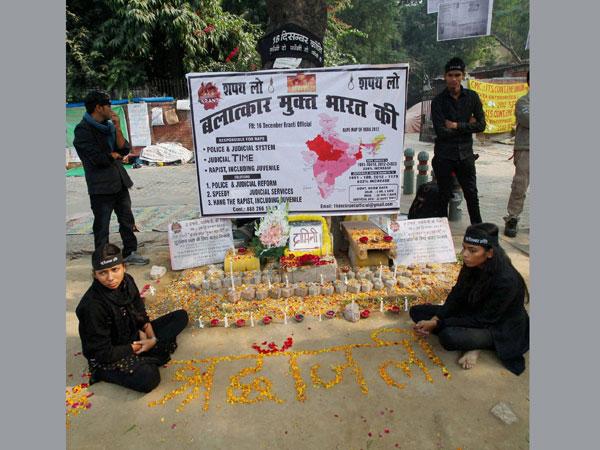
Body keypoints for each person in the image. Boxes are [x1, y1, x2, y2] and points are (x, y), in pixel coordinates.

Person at [409, 223, 529, 375]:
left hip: (497, 326)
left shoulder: (506, 280)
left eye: (472, 250)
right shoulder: (471, 264)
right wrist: (436, 318)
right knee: (417, 312)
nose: (465, 254)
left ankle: (476, 346)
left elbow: (483, 320)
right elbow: (456, 295)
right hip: (472, 311)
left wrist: (438, 323)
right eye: (464, 248)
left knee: (449, 337)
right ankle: (469, 340)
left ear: (489, 253)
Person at [76, 243, 189, 392]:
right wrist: (140, 346)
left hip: (132, 334)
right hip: (112, 351)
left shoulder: (127, 281)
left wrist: (151, 338)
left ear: (124, 267)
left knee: (180, 317)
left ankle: (146, 350)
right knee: (149, 377)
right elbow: (102, 352)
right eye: (103, 273)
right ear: (95, 275)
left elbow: (140, 313)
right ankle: (103, 372)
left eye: (115, 269)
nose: (110, 278)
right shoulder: (92, 306)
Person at [73, 90, 149, 265]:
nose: (111, 109)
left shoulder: (109, 127)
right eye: (108, 105)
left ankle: (130, 252)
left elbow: (124, 149)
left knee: (127, 219)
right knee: (102, 225)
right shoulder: (83, 130)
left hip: (119, 180)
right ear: (98, 108)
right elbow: (96, 158)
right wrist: (112, 155)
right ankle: (103, 260)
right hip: (100, 186)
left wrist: (118, 127)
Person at [431, 57, 486, 224]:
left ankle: (478, 231)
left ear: (463, 76)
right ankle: (442, 233)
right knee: (443, 196)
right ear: (445, 76)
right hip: (444, 156)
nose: (453, 79)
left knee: (472, 195)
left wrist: (456, 125)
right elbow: (441, 132)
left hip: (466, 155)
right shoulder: (438, 101)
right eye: (450, 75)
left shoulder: (472, 97)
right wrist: (468, 125)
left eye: (457, 75)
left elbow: (481, 125)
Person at [504, 71, 530, 237]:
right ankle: (512, 217)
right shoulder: (523, 102)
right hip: (527, 148)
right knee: (520, 185)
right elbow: (528, 119)